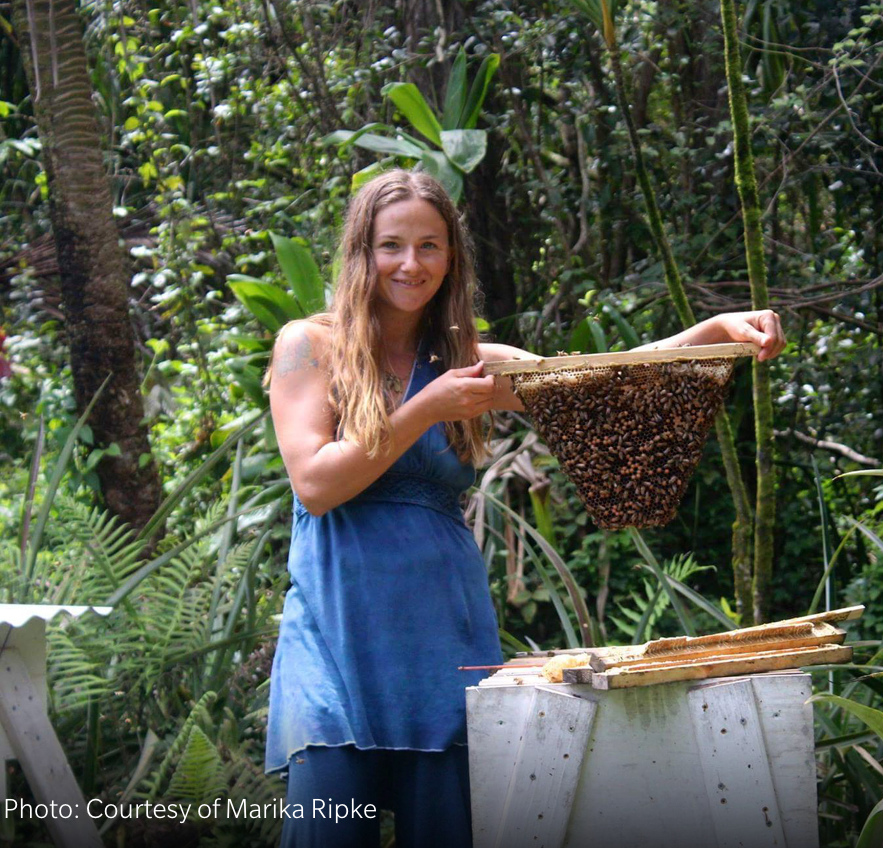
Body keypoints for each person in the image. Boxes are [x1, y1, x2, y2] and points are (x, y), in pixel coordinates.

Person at [263, 168, 786, 848]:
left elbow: (603, 382)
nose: (410, 263)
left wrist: (712, 330)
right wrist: (427, 407)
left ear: (452, 257)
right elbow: (315, 483)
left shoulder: (469, 361)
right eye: (391, 245)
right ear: (361, 253)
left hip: (441, 647)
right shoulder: (310, 345)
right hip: (334, 648)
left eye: (430, 245)